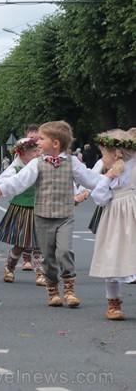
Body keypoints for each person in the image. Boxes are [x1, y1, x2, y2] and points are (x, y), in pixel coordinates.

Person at [0, 121, 101, 308]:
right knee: (48, 256)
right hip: (42, 217)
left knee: (65, 251)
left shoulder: (72, 163)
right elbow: (18, 182)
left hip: (65, 216)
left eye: (42, 139)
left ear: (56, 143)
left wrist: (115, 183)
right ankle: (53, 290)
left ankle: (69, 289)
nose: (38, 142)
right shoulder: (36, 164)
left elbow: (92, 180)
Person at [89, 129, 136, 320]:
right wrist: (107, 177)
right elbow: (99, 198)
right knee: (112, 255)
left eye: (103, 154)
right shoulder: (110, 175)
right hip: (115, 218)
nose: (102, 158)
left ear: (115, 154)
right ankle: (113, 302)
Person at [0, 138, 45, 286]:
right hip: (22, 209)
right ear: (22, 155)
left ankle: (40, 273)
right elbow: (3, 182)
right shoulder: (16, 169)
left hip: (40, 208)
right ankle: (9, 267)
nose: (37, 154)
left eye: (38, 151)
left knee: (39, 243)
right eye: (34, 151)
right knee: (21, 244)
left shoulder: (43, 167)